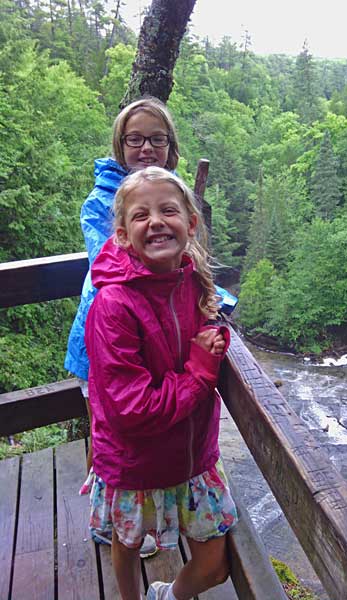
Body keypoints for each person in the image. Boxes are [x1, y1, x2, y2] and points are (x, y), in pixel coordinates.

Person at [83, 166, 238, 600]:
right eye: (140, 215)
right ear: (121, 234)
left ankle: (166, 596)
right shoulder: (113, 306)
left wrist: (214, 339)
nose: (155, 221)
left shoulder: (191, 279)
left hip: (192, 459)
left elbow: (209, 329)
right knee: (127, 542)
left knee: (214, 564)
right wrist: (200, 372)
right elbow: (133, 410)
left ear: (190, 224)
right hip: (134, 464)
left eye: (168, 210)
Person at [66, 97, 180, 557]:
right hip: (105, 339)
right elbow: (110, 263)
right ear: (120, 144)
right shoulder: (102, 202)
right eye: (136, 139)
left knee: (138, 434)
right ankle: (109, 521)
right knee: (108, 431)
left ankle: (137, 515)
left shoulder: (172, 190)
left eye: (157, 139)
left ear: (171, 146)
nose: (146, 148)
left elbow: (188, 259)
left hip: (154, 337)